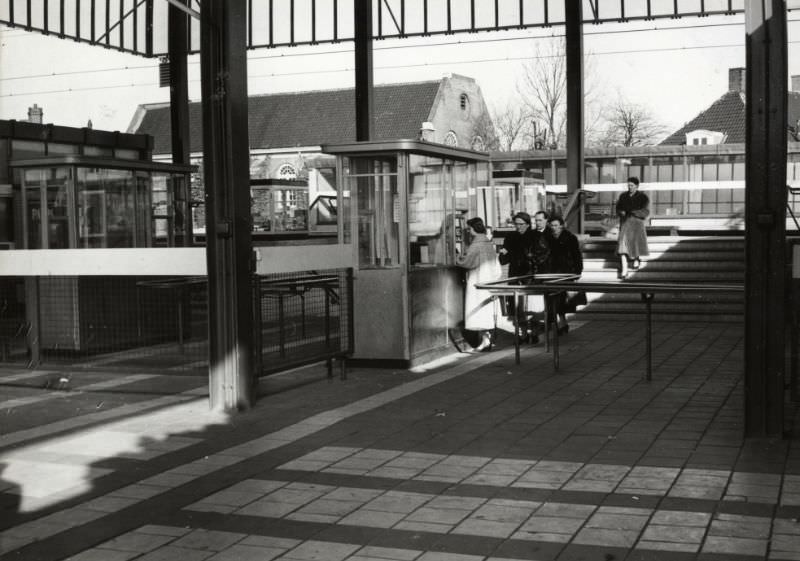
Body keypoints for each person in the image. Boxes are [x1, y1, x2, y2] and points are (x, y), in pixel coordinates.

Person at [498, 211, 550, 343]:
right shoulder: (511, 237)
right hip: (515, 275)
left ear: (528, 224)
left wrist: (532, 260)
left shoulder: (535, 236)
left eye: (521, 224)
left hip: (531, 275)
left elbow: (543, 255)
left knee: (532, 306)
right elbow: (504, 259)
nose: (518, 227)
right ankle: (523, 333)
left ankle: (534, 332)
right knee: (517, 306)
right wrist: (503, 253)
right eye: (516, 224)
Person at [456, 217, 501, 352]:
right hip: (489, 283)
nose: (468, 232)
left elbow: (466, 262)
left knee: (477, 311)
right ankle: (486, 340)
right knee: (485, 311)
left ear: (473, 229)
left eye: (469, 229)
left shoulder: (475, 245)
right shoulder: (488, 244)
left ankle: (484, 341)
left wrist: (457, 257)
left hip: (477, 282)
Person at [548, 216, 584, 334]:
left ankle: (562, 323)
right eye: (552, 225)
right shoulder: (548, 238)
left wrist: (577, 271)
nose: (554, 228)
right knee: (555, 299)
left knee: (562, 299)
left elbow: (576, 255)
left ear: (562, 226)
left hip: (566, 272)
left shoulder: (570, 238)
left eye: (556, 225)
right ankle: (561, 323)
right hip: (552, 272)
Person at [616, 176, 650, 279]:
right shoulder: (623, 196)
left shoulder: (643, 197)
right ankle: (624, 270)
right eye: (628, 185)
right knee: (622, 247)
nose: (630, 187)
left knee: (635, 243)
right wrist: (621, 212)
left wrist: (633, 212)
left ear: (637, 186)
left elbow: (645, 211)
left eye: (632, 185)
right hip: (625, 223)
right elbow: (618, 208)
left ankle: (636, 259)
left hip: (636, 223)